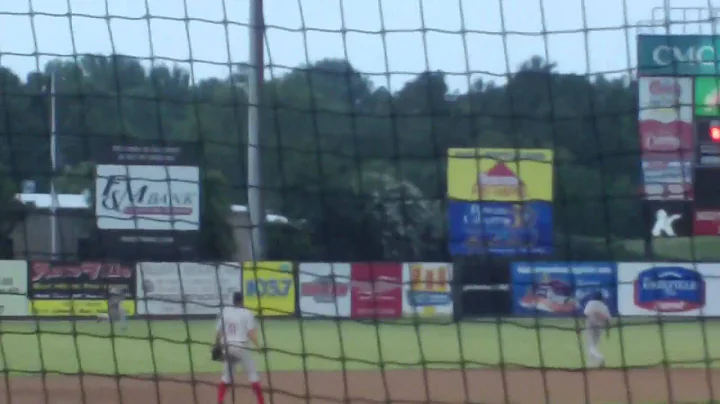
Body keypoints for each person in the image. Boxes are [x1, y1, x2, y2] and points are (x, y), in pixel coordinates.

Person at [214, 291, 265, 404]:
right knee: (252, 375)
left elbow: (219, 332)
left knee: (227, 377)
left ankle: (220, 401)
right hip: (241, 348)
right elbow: (251, 333)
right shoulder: (247, 313)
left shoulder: (225, 312)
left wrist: (216, 344)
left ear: (233, 300)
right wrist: (259, 347)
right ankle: (261, 402)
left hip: (226, 347)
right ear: (242, 300)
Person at [581, 290, 612, 367]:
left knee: (591, 346)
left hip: (590, 326)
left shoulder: (590, 303)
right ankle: (590, 364)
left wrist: (582, 324)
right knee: (593, 346)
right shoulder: (604, 306)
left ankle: (600, 358)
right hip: (599, 328)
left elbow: (585, 315)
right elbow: (607, 320)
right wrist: (608, 331)